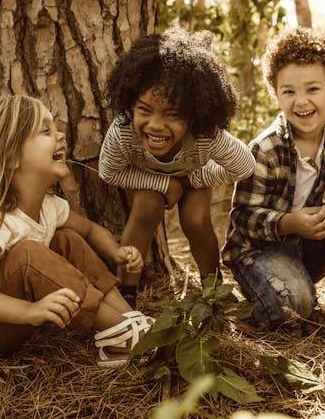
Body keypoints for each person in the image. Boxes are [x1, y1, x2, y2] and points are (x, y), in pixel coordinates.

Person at [0, 95, 152, 367]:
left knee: (66, 239)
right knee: (29, 254)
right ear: (10, 157)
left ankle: (128, 321)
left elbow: (89, 230)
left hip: (7, 318)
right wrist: (29, 311)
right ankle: (122, 336)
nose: (61, 136)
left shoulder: (49, 207)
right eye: (46, 131)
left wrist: (116, 252)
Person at [222, 27, 325, 339]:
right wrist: (289, 223)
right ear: (276, 94)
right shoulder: (265, 148)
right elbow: (242, 217)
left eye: (313, 89)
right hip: (260, 254)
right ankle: (277, 291)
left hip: (312, 249)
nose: (301, 102)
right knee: (294, 308)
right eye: (289, 92)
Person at [98, 28, 255, 307]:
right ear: (131, 104)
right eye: (144, 110)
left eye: (173, 115)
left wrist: (196, 178)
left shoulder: (206, 136)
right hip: (148, 179)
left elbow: (243, 166)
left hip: (193, 176)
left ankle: (213, 291)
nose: (156, 125)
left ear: (194, 116)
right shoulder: (123, 131)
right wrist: (163, 184)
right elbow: (109, 172)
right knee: (146, 207)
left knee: (196, 220)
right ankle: (126, 296)